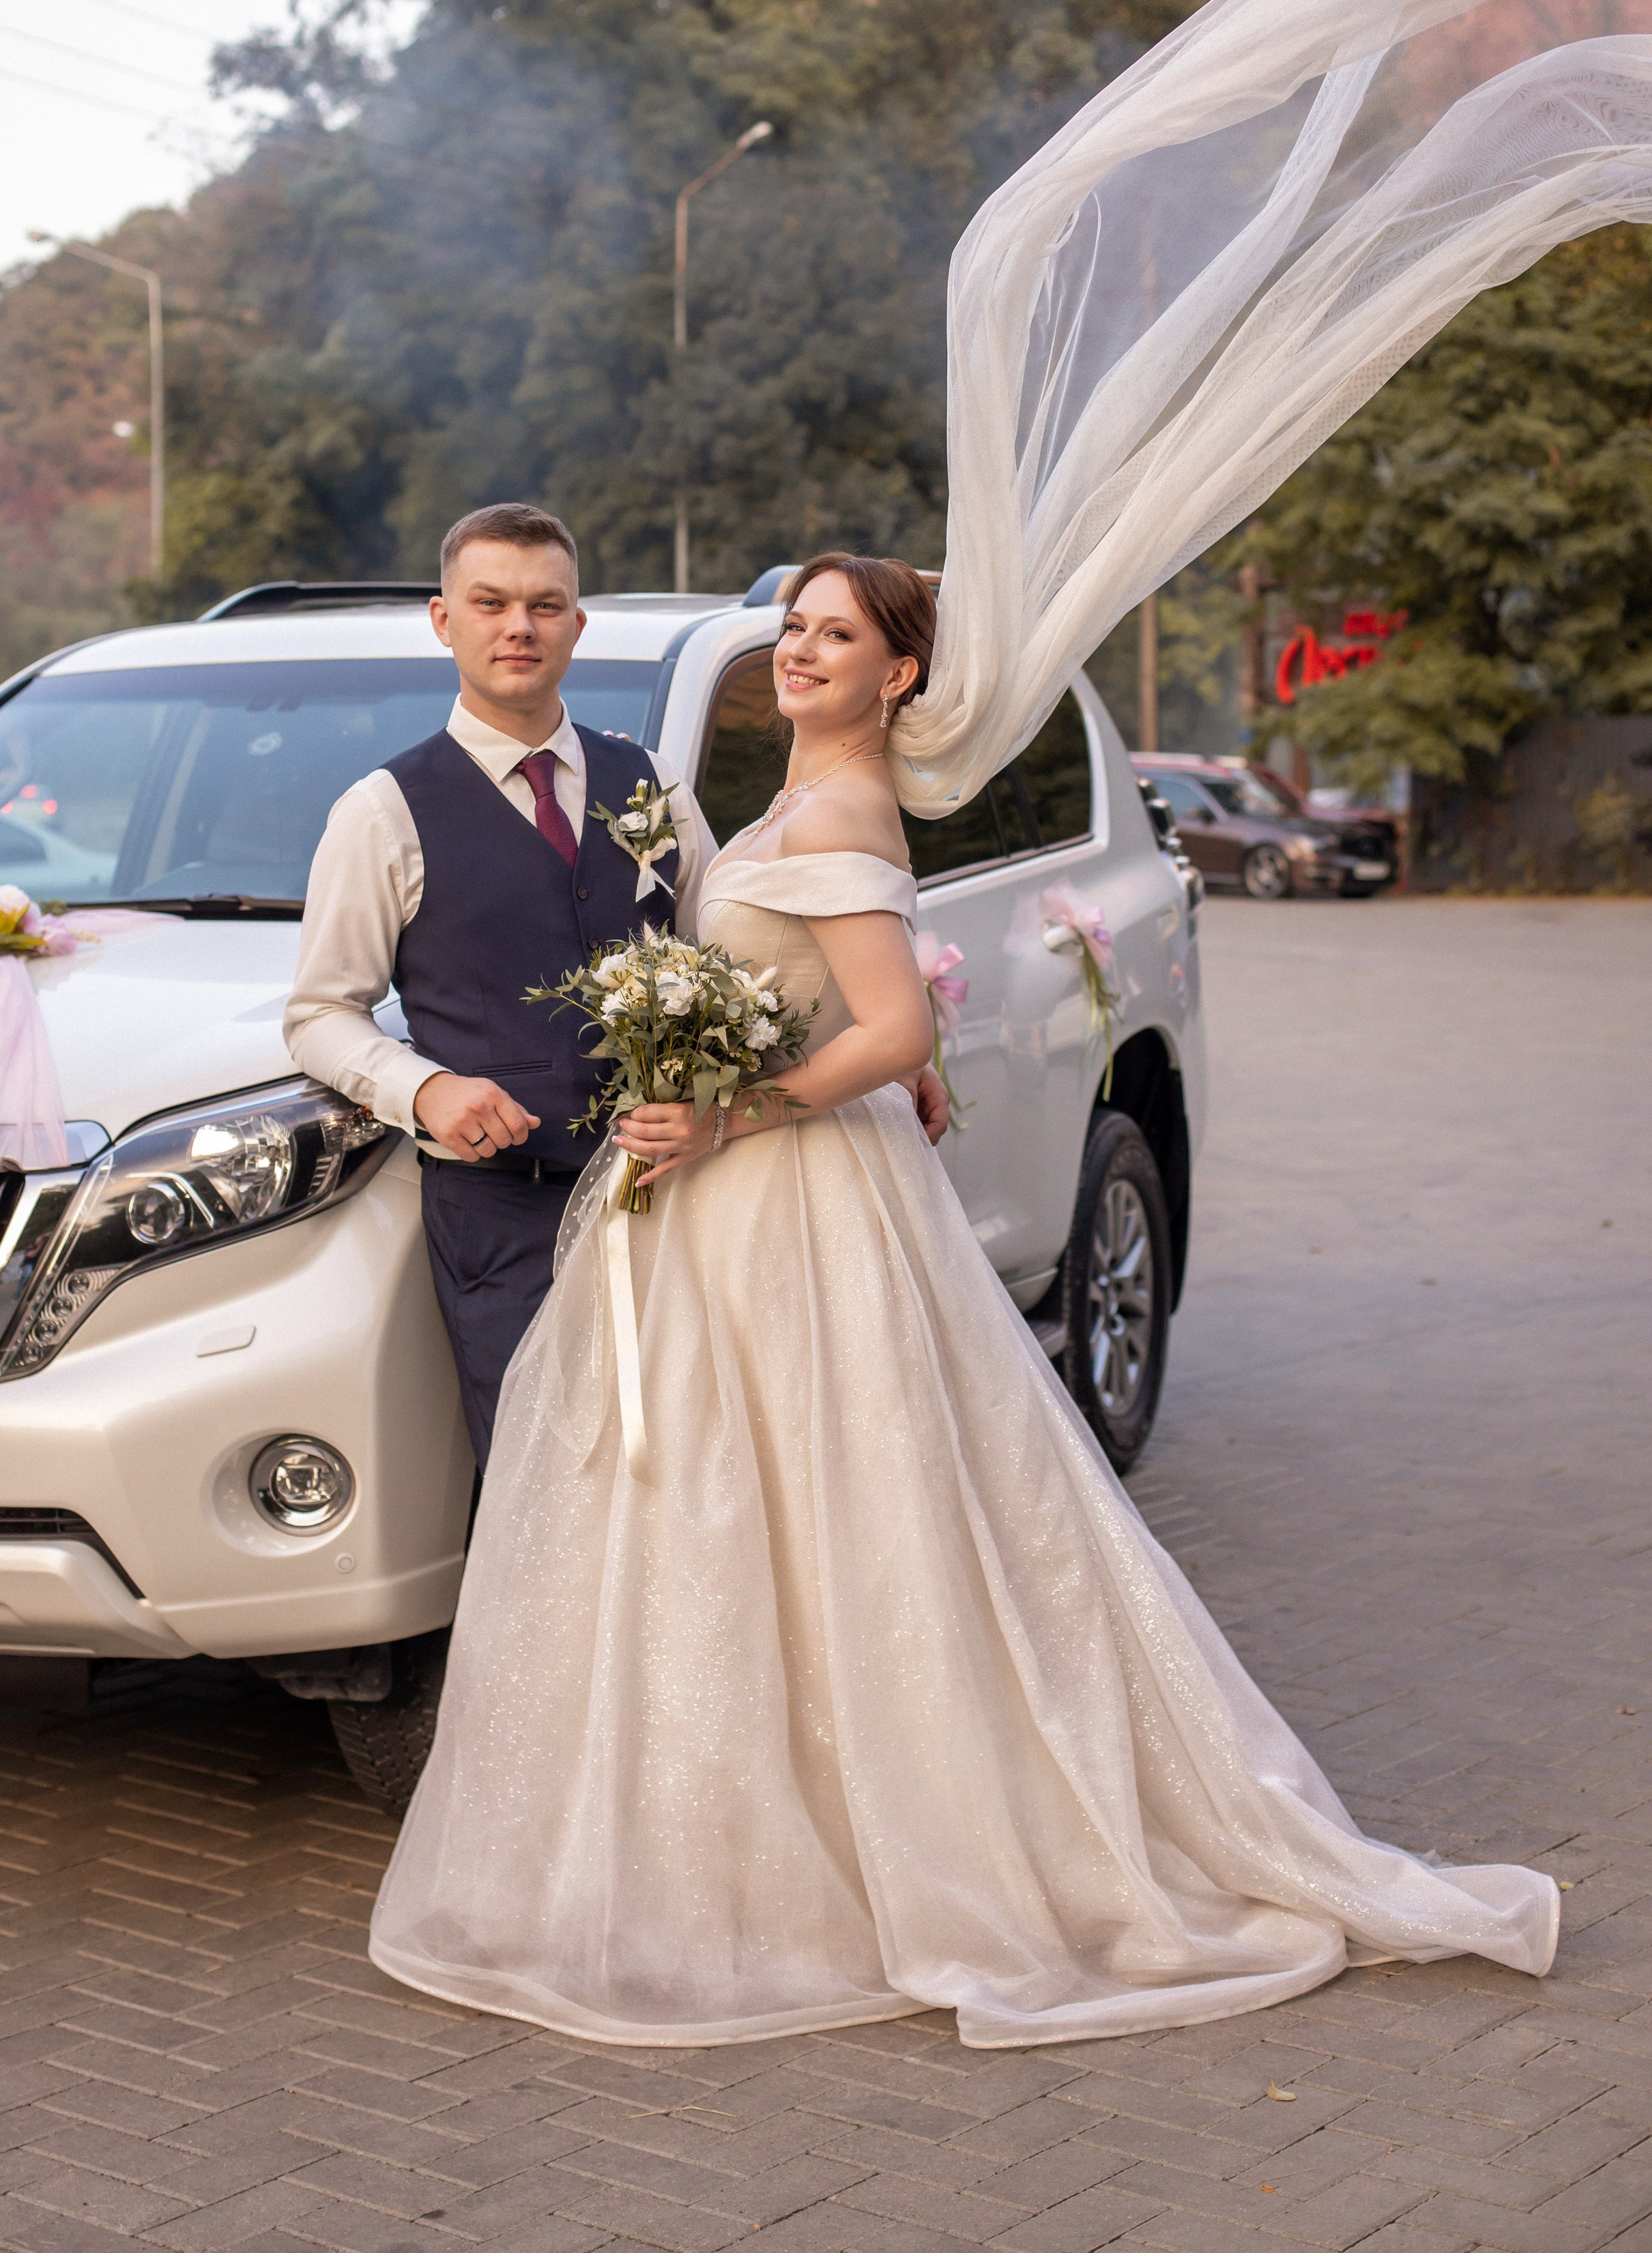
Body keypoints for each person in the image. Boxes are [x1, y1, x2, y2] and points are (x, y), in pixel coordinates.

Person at [368, 551, 1558, 2048]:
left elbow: (891, 1019)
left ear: (901, 675)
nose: (799, 652)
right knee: (779, 1507)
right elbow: (837, 993)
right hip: (753, 1202)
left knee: (810, 1504)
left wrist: (733, 1113)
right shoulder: (798, 803)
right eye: (792, 629)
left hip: (787, 1200)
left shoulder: (846, 807)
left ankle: (838, 1850)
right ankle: (755, 1819)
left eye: (836, 635)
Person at [285, 506, 948, 1466]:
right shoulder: (382, 813)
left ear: (576, 624)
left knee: (692, 1483)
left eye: (545, 604)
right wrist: (424, 1088)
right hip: (510, 1210)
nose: (521, 626)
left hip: (686, 1195)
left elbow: (742, 963)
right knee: (544, 1480)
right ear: (444, 620)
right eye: (492, 603)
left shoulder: (653, 785)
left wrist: (887, 1051)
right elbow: (317, 1016)